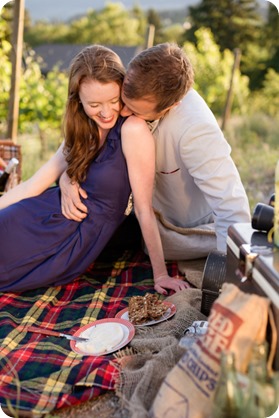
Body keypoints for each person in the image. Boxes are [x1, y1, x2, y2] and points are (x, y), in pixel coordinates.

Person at [0, 45, 188, 294]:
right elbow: (33, 185)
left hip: (69, 240)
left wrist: (160, 274)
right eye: (95, 104)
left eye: (114, 100)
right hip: (40, 215)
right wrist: (66, 178)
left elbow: (144, 208)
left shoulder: (132, 129)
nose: (107, 112)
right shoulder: (82, 128)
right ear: (78, 99)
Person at [60, 43, 251, 259]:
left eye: (133, 111)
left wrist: (230, 274)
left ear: (170, 107)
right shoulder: (126, 93)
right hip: (129, 214)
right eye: (122, 101)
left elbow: (232, 206)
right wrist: (66, 177)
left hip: (176, 230)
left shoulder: (197, 130)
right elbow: (74, 148)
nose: (121, 111)